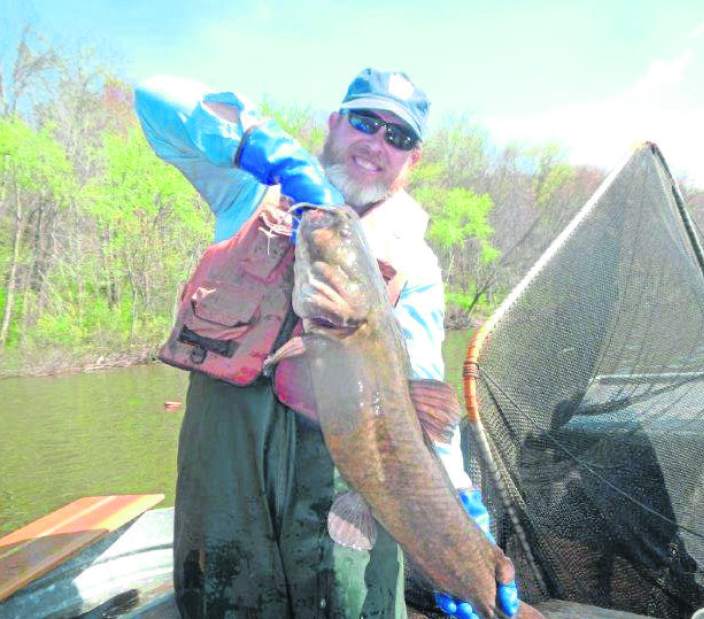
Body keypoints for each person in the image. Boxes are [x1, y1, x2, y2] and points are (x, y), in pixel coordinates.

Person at [134, 68, 519, 617]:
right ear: (335, 123)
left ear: (413, 161)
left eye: (399, 137)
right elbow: (153, 97)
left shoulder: (418, 263)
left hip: (348, 486)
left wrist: (456, 497)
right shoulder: (251, 192)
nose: (378, 143)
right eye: (366, 121)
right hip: (228, 483)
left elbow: (423, 398)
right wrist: (272, 152)